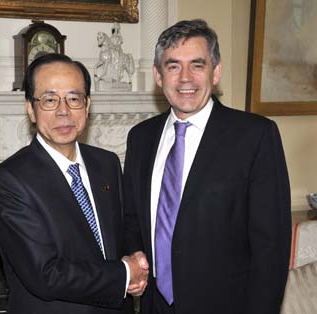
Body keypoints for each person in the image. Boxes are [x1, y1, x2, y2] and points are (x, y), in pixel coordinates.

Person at [124, 19, 291, 314]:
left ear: (215, 72)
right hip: (154, 306)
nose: (185, 78)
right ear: (158, 76)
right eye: (173, 66)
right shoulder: (141, 137)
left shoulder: (255, 136)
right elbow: (133, 218)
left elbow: (271, 249)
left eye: (197, 65)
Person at [0, 53, 148, 314]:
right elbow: (45, 274)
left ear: (87, 106)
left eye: (74, 98)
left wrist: (138, 261)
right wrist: (125, 273)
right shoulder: (9, 180)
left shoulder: (107, 164)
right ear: (31, 108)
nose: (64, 111)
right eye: (49, 100)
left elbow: (121, 232)